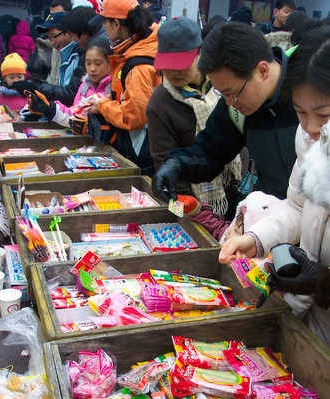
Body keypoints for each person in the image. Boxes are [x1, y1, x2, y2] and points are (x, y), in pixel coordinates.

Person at [219, 26, 330, 344]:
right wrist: (257, 239)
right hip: (312, 319)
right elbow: (297, 206)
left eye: (323, 116)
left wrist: (324, 282)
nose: (309, 127)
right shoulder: (308, 141)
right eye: (299, 113)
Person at [152, 22, 299, 204]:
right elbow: (211, 150)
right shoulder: (235, 106)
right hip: (270, 217)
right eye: (223, 94)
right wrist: (177, 164)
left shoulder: (310, 93)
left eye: (231, 93)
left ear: (262, 71)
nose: (229, 103)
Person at [147, 17, 241, 240]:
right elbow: (163, 158)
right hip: (194, 202)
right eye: (167, 66)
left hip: (234, 189)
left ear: (199, 53)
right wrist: (196, 211)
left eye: (180, 65)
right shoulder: (160, 102)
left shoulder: (221, 85)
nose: (173, 72)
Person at [84, 0, 161, 176]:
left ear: (116, 24)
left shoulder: (137, 65)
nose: (104, 27)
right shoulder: (137, 51)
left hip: (144, 154)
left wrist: (103, 106)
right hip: (146, 149)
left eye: (105, 22)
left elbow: (134, 116)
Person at [26, 37, 111, 126]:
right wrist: (48, 107)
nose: (92, 69)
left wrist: (51, 109)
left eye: (98, 64)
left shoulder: (113, 89)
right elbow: (74, 113)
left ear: (110, 63)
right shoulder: (84, 86)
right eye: (88, 63)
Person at [13, 12, 86, 106]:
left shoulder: (79, 56)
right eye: (49, 38)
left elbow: (71, 95)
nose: (52, 43)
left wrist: (36, 88)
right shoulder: (62, 53)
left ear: (68, 33)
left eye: (54, 37)